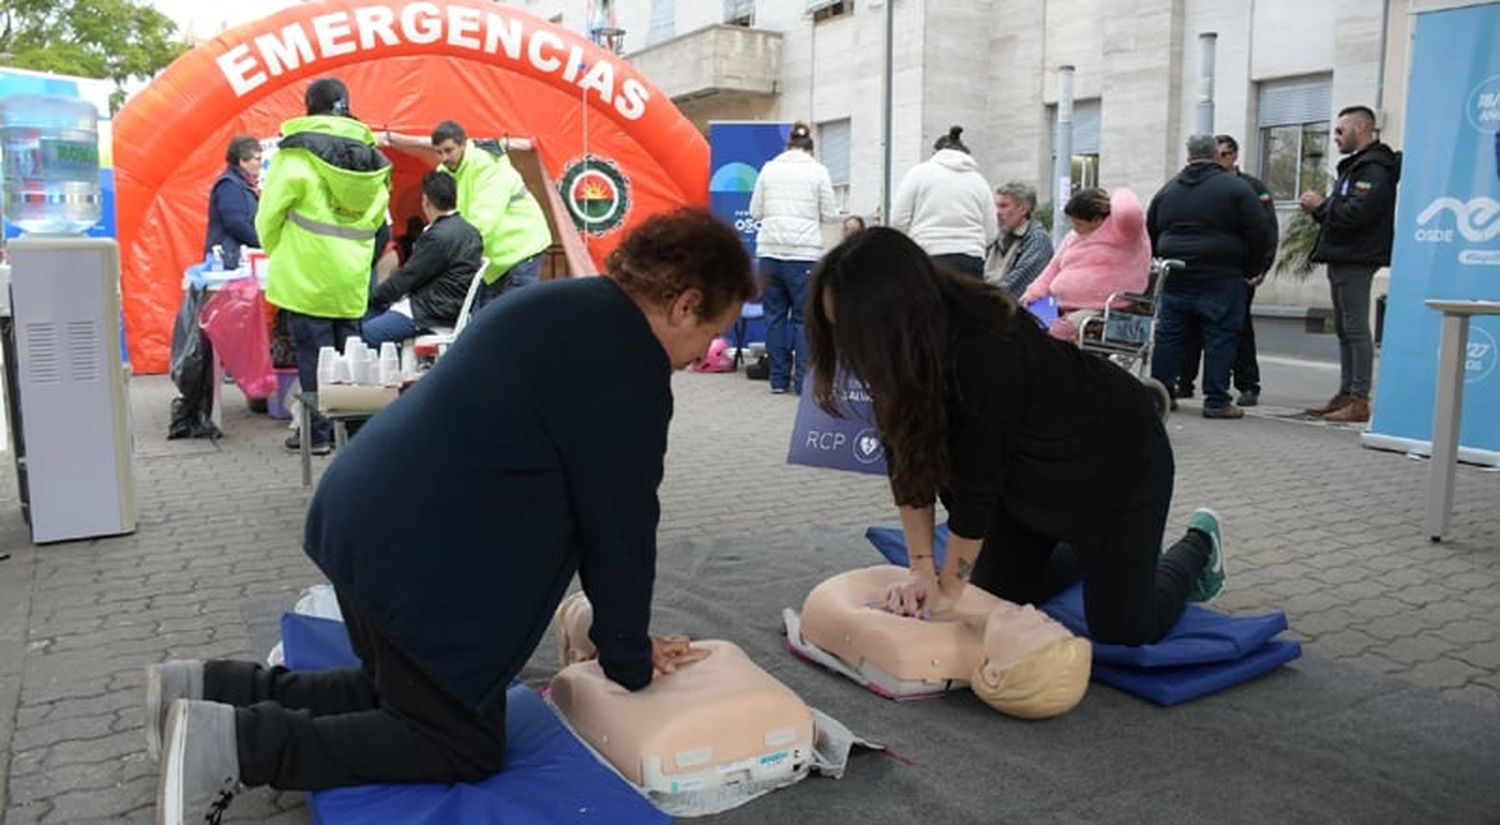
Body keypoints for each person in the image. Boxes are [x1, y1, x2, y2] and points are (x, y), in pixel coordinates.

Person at [143, 208, 757, 823]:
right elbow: (621, 527)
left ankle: (203, 688)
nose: (702, 354)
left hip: (359, 517)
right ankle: (232, 748)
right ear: (684, 304)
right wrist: (626, 656)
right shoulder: (629, 364)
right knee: (457, 742)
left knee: (402, 692)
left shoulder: (559, 303)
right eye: (712, 332)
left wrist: (618, 635)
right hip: (415, 557)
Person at [805, 227, 1226, 652]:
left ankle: (1199, 545)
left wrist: (948, 591)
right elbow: (906, 463)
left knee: (1122, 630)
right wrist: (920, 570)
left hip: (1116, 457)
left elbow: (976, 486)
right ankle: (1094, 554)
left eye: (855, 334)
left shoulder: (985, 344)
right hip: (1025, 477)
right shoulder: (897, 357)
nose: (849, 350)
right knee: (993, 597)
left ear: (897, 316)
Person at [256, 77, 392, 455]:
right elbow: (380, 218)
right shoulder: (372, 158)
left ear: (308, 107)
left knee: (314, 356)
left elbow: (268, 216)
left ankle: (316, 436)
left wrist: (278, 250)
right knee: (351, 354)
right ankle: (351, 436)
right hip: (350, 275)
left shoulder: (295, 155)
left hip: (305, 273)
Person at [1147, 134, 1274, 420]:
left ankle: (1161, 395)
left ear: (1189, 155)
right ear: (1216, 155)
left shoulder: (1167, 190)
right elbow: (1259, 231)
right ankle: (1216, 401)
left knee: (1169, 336)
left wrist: (1163, 259)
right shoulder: (1236, 188)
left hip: (1176, 274)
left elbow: (1151, 230)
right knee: (1221, 336)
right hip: (1222, 275)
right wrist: (1251, 268)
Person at [1299, 105, 1401, 424]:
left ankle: (1359, 397)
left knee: (1355, 328)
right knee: (1345, 328)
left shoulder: (1373, 168)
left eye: (1341, 131)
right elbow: (1347, 208)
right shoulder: (1357, 167)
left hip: (1357, 257)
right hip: (1343, 255)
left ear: (1360, 128)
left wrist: (1319, 207)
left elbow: (1357, 213)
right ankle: (1346, 393)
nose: (1336, 138)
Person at [383, 121, 553, 311]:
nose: (444, 158)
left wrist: (449, 253)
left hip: (521, 248)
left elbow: (483, 222)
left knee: (513, 316)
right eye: (438, 152)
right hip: (491, 259)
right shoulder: (443, 173)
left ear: (463, 144)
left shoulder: (487, 165)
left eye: (449, 150)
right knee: (485, 319)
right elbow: (442, 216)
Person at [747, 121, 840, 395]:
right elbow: (831, 214)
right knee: (803, 318)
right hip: (804, 255)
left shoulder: (768, 168)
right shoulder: (818, 171)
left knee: (774, 317)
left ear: (787, 146)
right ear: (811, 149)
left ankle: (777, 381)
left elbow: (755, 211)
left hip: (770, 252)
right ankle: (802, 382)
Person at [362, 171, 484, 348]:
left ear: (426, 201)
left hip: (429, 311)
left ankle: (392, 374)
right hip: (451, 308)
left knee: (366, 333)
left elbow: (408, 277)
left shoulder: (436, 236)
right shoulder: (471, 232)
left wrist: (374, 297)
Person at [1019, 187, 1151, 342]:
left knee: (1058, 331)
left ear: (1096, 219)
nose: (1074, 227)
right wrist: (1033, 293)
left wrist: (1117, 193)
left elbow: (1129, 211)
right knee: (1024, 322)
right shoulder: (1073, 236)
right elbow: (1053, 268)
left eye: (1078, 223)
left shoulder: (1125, 232)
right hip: (1061, 304)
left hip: (1103, 308)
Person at [891, 125, 999, 277]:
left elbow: (898, 221)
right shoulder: (979, 181)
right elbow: (991, 232)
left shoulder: (918, 173)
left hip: (928, 255)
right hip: (971, 259)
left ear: (935, 152)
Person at [985, 182, 1054, 298]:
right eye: (996, 206)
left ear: (1023, 209)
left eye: (1003, 206)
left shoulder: (1037, 239)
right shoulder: (995, 235)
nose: (997, 212)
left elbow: (1017, 285)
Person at [204, 136, 262, 271]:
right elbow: (236, 224)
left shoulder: (243, 185)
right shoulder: (229, 186)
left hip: (238, 259)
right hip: (228, 261)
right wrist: (263, 243)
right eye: (257, 159)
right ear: (242, 161)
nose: (260, 163)